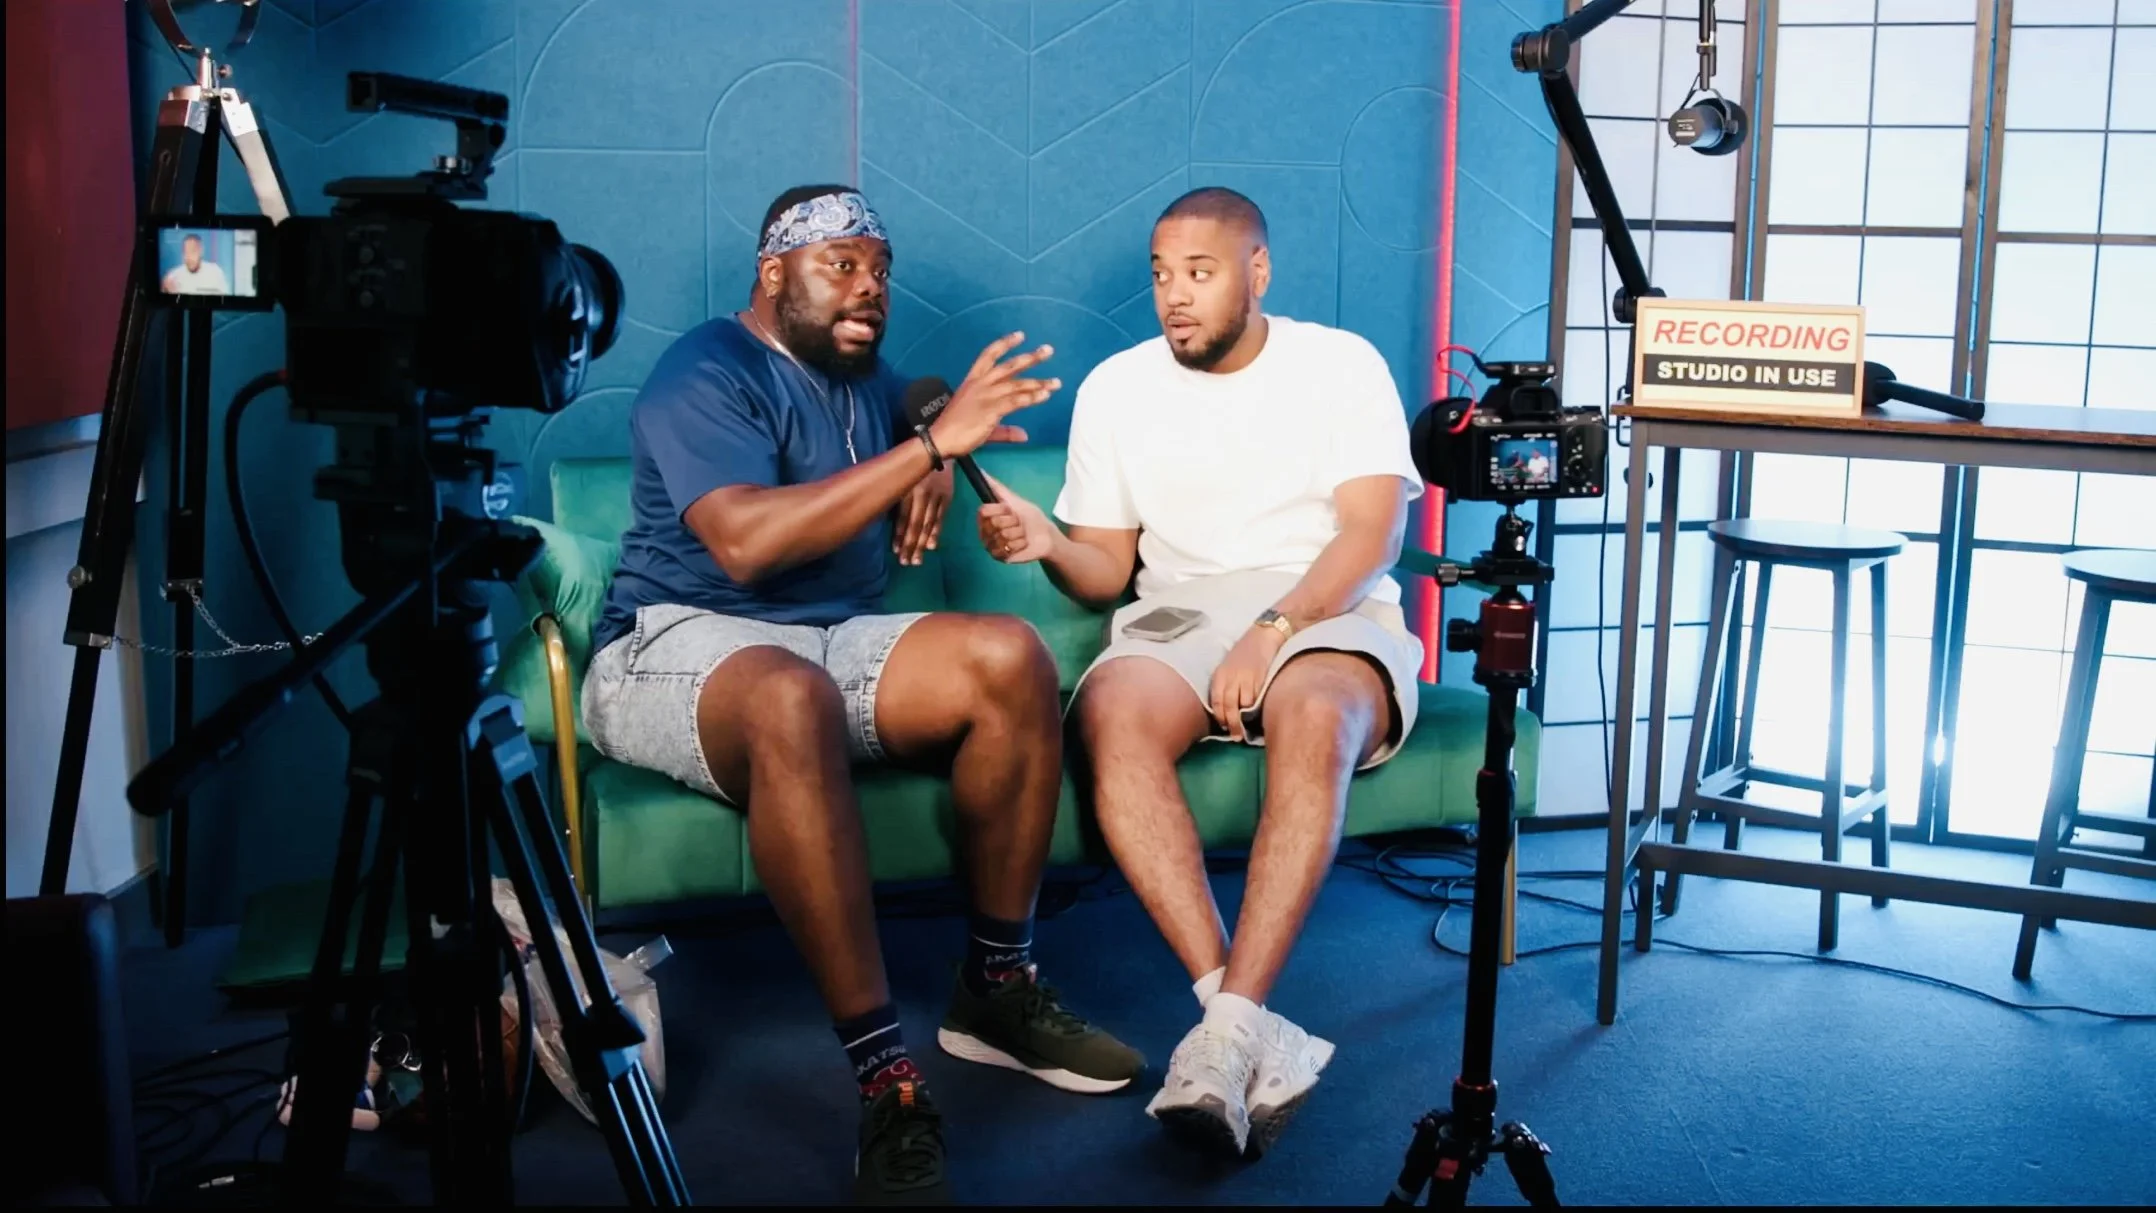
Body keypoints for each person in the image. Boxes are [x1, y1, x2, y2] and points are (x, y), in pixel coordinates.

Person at [583, 184, 1144, 1204]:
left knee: (1010, 656)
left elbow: (916, 386)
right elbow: (746, 544)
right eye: (839, 263)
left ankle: (996, 987)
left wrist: (927, 420)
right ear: (771, 273)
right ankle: (886, 1076)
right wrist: (928, 450)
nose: (868, 287)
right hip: (671, 642)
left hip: (823, 642)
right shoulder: (705, 368)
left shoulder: (858, 375)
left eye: (879, 271)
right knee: (789, 698)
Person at [975, 187, 1426, 1159]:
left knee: (1313, 711)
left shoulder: (1339, 366)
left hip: (1321, 601)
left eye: (1199, 272)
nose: (1173, 296)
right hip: (1179, 609)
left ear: (1256, 272)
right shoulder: (1116, 387)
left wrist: (1274, 627)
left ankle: (1225, 1032)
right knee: (1110, 712)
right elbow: (1104, 570)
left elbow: (1371, 529)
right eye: (1160, 276)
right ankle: (1231, 1022)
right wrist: (1050, 539)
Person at [162, 233, 228, 294]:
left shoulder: (215, 272)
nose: (189, 257)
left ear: (201, 251)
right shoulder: (173, 275)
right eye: (185, 252)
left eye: (192, 251)